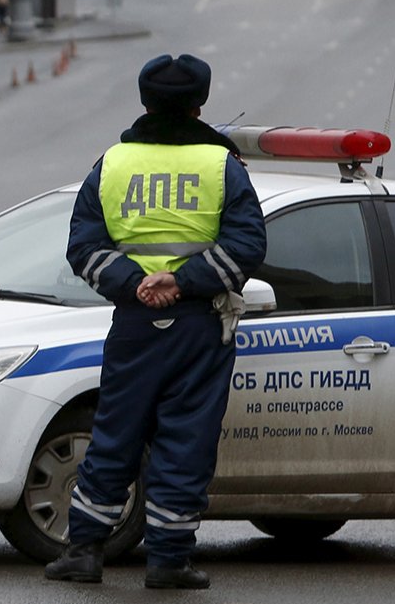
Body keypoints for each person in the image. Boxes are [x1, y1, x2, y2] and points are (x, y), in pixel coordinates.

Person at [49, 54, 266, 590]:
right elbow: (247, 245)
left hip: (134, 322)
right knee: (186, 438)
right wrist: (184, 281)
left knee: (115, 431)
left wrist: (135, 283)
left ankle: (83, 552)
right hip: (198, 324)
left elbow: (84, 246)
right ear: (200, 105)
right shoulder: (222, 166)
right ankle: (169, 560)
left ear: (144, 102)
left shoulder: (113, 164)